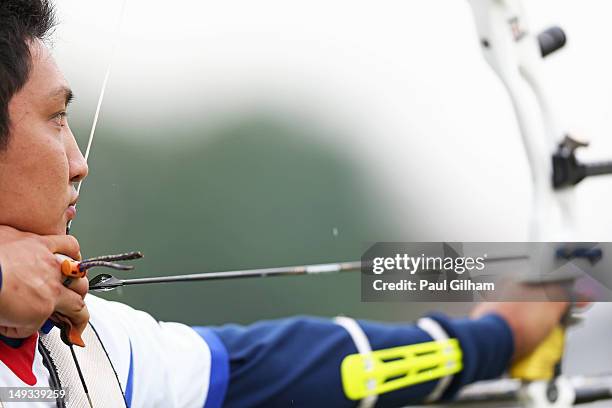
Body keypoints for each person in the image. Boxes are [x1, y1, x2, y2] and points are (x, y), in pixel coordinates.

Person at [0, 1, 568, 407]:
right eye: (55, 119)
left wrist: (496, 337)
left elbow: (285, 365)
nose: (79, 162)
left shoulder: (96, 348)